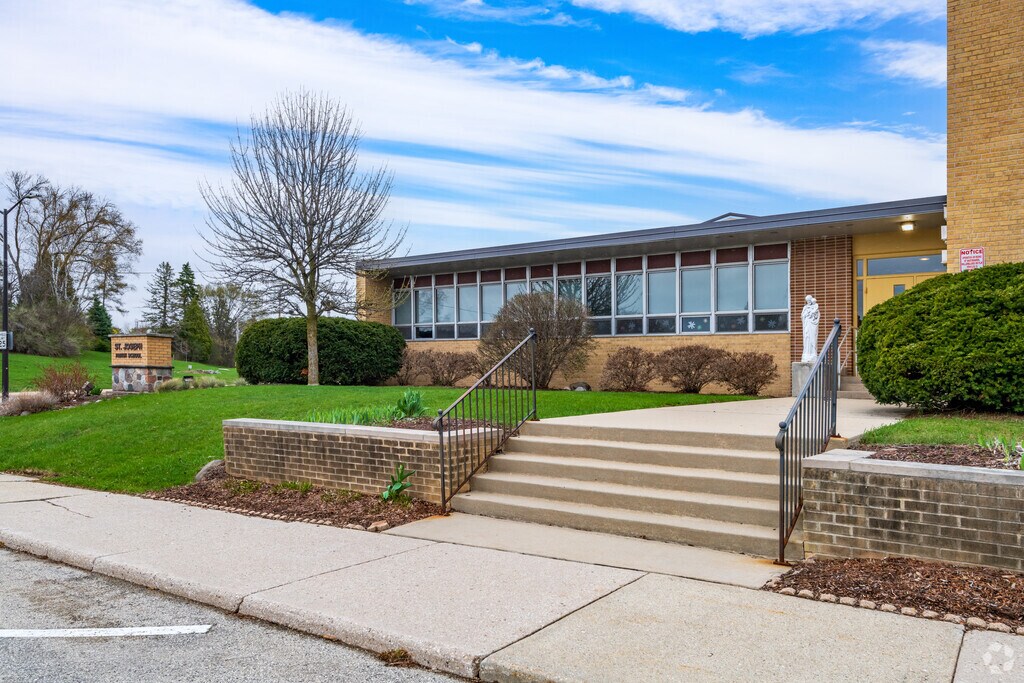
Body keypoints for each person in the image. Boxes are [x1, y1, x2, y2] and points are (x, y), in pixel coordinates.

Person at [801, 295, 820, 363]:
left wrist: (813, 314)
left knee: (812, 338)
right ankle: (806, 353)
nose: (808, 302)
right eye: (807, 301)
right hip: (807, 325)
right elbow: (803, 316)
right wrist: (806, 314)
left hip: (812, 325)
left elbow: (816, 317)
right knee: (807, 338)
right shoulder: (805, 307)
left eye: (809, 300)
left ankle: (812, 353)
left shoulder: (815, 307)